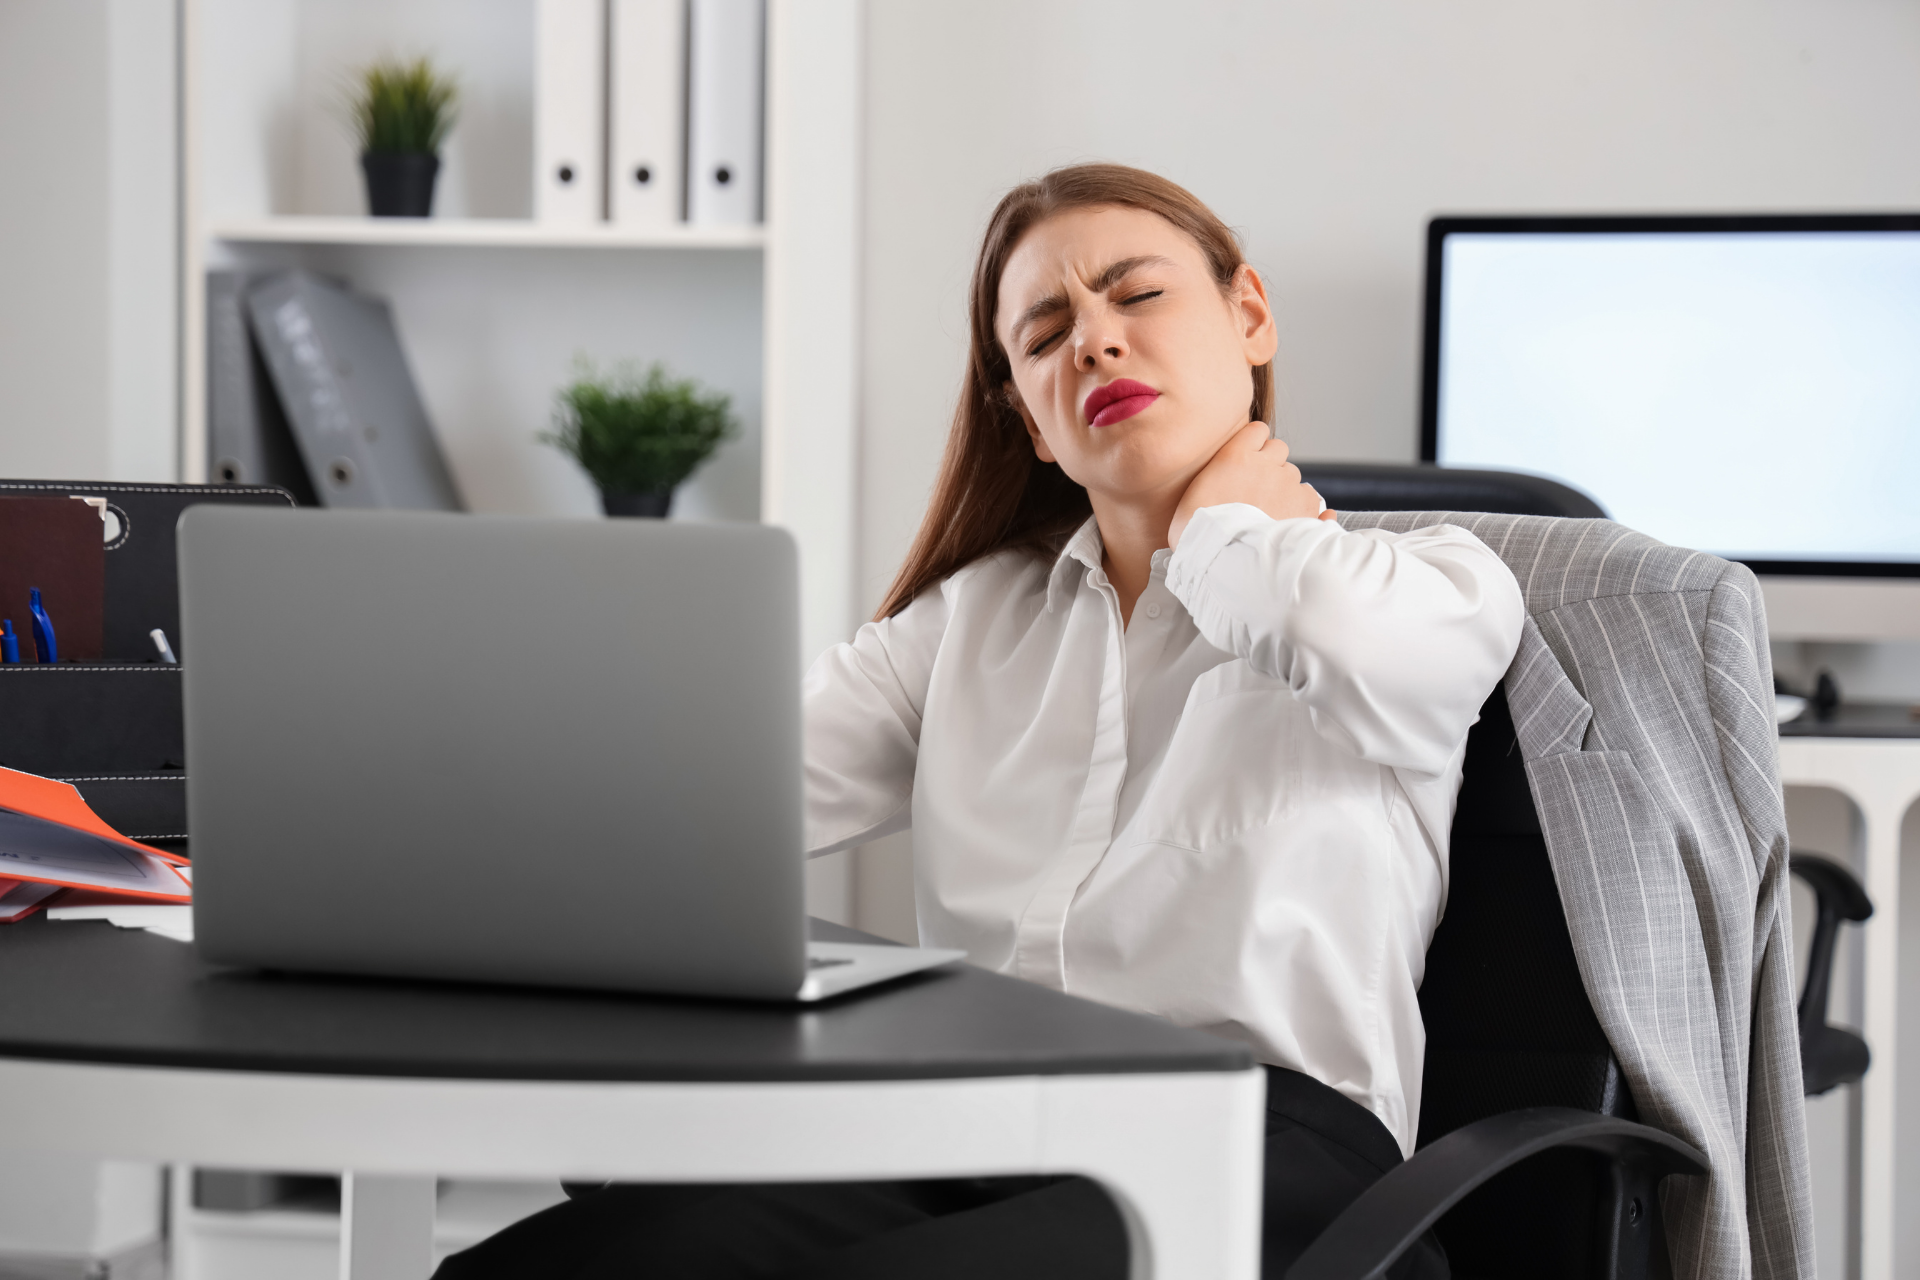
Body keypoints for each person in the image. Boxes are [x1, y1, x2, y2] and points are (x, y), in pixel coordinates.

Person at [435, 163, 1524, 1280]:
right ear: (1032, 422)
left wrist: (1217, 530)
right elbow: (720, 800)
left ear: (1249, 315)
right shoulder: (972, 617)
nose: (1094, 342)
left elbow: (1332, 629)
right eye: (1046, 335)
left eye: (1137, 294)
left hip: (1262, 1151)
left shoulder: (1430, 582)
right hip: (969, 1124)